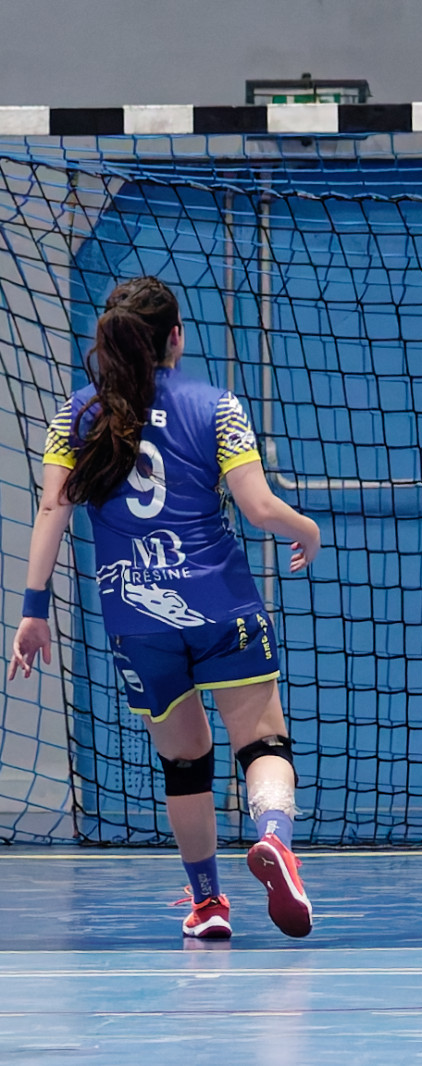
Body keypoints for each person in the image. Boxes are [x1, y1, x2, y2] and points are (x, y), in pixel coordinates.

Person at [8, 277, 323, 941]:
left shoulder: (74, 415)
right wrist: (307, 530)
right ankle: (274, 840)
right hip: (219, 605)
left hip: (136, 617)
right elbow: (259, 508)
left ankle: (208, 905)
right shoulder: (217, 406)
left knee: (184, 763)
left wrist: (34, 611)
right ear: (175, 337)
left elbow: (51, 511)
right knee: (262, 743)